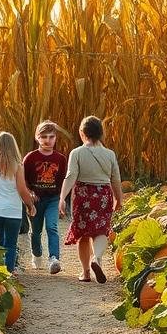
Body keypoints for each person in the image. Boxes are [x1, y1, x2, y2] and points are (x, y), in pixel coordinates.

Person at [58, 115, 123, 283]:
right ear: (101, 133)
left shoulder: (77, 153)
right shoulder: (109, 154)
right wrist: (119, 199)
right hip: (103, 194)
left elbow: (71, 176)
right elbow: (115, 179)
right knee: (101, 231)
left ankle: (86, 272)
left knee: (83, 235)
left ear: (82, 133)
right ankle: (97, 258)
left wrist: (62, 198)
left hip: (82, 195)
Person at [0, 132, 37, 273]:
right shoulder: (17, 165)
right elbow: (22, 190)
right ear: (13, 146)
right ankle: (8, 273)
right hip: (13, 212)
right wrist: (30, 205)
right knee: (10, 244)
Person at [22, 120, 67, 274]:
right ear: (37, 138)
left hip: (53, 199)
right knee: (36, 231)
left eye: (51, 137)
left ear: (55, 138)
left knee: (52, 227)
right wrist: (29, 193)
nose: (48, 140)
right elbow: (22, 180)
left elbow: (63, 181)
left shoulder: (60, 159)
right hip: (36, 201)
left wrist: (62, 200)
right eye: (44, 137)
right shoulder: (30, 158)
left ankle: (54, 259)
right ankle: (37, 254)